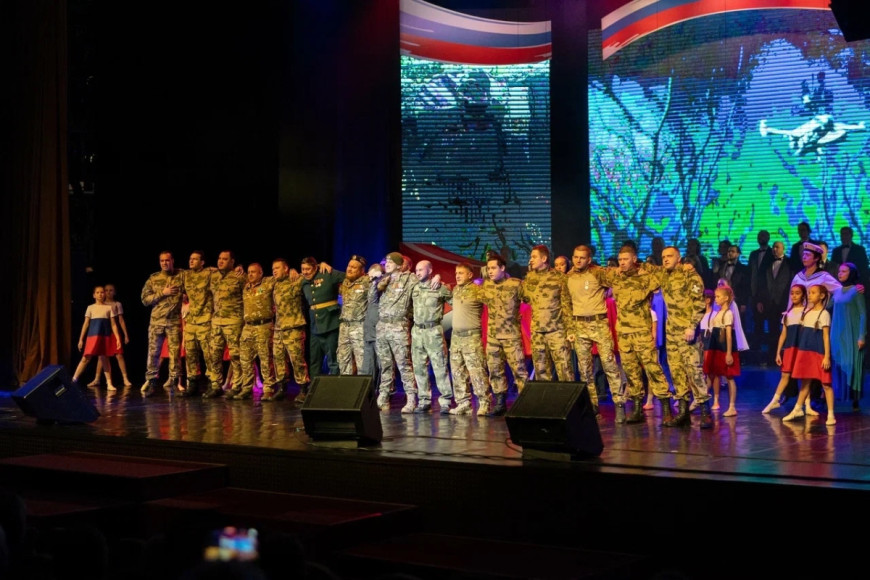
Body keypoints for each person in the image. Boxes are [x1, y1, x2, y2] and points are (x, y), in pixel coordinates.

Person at [601, 244, 670, 423]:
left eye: (626, 259)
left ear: (634, 259)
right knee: (631, 371)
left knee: (652, 368)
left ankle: (666, 408)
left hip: (641, 331)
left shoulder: (645, 277)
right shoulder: (615, 277)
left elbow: (663, 274)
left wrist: (644, 266)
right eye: (620, 260)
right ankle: (637, 408)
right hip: (624, 332)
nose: (622, 263)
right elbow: (595, 272)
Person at [648, 246, 713, 428]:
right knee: (676, 371)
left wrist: (692, 326)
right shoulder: (662, 274)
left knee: (694, 371)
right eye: (663, 256)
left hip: (687, 331)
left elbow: (699, 303)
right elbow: (645, 269)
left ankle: (705, 412)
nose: (665, 259)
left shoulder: (689, 275)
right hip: (671, 332)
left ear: (679, 258)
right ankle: (683, 412)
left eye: (670, 256)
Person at [563, 245, 622, 419]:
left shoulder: (598, 273)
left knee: (609, 364)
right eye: (575, 257)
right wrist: (570, 328)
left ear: (589, 259)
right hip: (579, 324)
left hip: (598, 323)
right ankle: (592, 406)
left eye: (582, 257)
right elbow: (566, 305)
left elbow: (618, 278)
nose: (578, 260)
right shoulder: (568, 277)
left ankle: (619, 403)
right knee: (584, 370)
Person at [519, 245, 574, 383]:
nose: (531, 260)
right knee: (541, 371)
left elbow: (566, 305)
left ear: (544, 259)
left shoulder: (559, 277)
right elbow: (525, 298)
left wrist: (570, 330)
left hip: (557, 331)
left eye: (534, 257)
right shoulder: (529, 278)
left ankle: (567, 397)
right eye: (530, 257)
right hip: (538, 332)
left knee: (564, 370)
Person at [481, 254, 528, 416]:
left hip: (511, 336)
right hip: (493, 337)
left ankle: (524, 404)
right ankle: (500, 403)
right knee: (495, 370)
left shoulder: (515, 284)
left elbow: (529, 299)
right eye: (488, 268)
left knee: (519, 371)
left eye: (493, 268)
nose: (490, 271)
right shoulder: (486, 285)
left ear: (502, 268)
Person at [783, 284, 836, 425]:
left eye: (813, 293)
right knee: (805, 382)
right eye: (809, 292)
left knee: (826, 384)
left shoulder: (824, 314)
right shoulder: (807, 313)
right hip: (806, 351)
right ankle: (797, 409)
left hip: (819, 353)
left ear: (822, 296)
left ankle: (831, 414)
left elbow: (826, 337)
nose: (809, 295)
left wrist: (826, 356)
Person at [449, 262, 494, 415]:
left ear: (470, 275)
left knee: (477, 372)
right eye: (456, 273)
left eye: (461, 273)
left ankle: (484, 402)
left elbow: (492, 302)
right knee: (458, 372)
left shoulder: (477, 290)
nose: (457, 276)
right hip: (456, 338)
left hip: (471, 337)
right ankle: (463, 403)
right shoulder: (456, 289)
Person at [409, 260, 453, 413]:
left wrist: (439, 277)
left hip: (433, 331)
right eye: (416, 270)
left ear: (430, 271)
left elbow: (456, 304)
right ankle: (424, 400)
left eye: (421, 269)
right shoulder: (413, 287)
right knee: (419, 367)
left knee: (440, 366)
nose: (418, 272)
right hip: (417, 332)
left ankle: (445, 401)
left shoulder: (440, 288)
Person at [230, 263, 278, 400]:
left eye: (253, 272)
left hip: (264, 326)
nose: (250, 274)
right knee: (245, 360)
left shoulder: (268, 283)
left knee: (265, 359)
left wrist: (292, 270)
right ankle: (247, 388)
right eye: (249, 272)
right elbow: (235, 273)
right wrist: (238, 267)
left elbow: (282, 276)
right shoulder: (245, 285)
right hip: (248, 327)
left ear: (261, 273)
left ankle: (268, 388)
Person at [203, 250, 246, 399]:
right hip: (216, 322)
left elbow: (250, 295)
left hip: (233, 321)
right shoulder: (213, 276)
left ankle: (237, 385)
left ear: (232, 261)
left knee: (235, 355)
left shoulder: (240, 276)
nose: (221, 261)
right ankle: (216, 385)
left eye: (225, 259)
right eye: (219, 258)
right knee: (214, 355)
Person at [177, 251, 221, 398]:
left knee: (209, 355)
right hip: (191, 321)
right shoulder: (185, 275)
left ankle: (213, 384)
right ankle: (193, 385)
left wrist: (238, 267)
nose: (191, 261)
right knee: (190, 355)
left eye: (195, 259)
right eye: (190, 259)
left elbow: (224, 271)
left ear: (202, 262)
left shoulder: (209, 273)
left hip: (205, 320)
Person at [140, 251, 184, 397]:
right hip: (157, 322)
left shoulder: (181, 275)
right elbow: (145, 300)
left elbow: (199, 275)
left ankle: (174, 382)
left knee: (175, 354)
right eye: (162, 261)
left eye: (167, 260)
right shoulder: (154, 278)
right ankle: (151, 382)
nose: (164, 263)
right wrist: (162, 293)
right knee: (153, 353)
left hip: (174, 322)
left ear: (172, 260)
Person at [762, 285, 808, 414]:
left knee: (805, 377)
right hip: (789, 348)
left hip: (802, 348)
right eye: (792, 293)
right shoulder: (788, 314)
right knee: (785, 375)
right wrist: (778, 352)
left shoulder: (806, 312)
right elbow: (783, 335)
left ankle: (807, 404)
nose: (794, 296)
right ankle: (774, 401)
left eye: (797, 293)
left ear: (803, 295)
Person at [270, 258, 310, 402]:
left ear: (286, 268)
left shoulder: (296, 279)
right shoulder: (273, 283)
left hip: (294, 327)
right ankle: (282, 388)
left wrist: (296, 271)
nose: (274, 271)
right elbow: (255, 279)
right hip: (279, 328)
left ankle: (303, 388)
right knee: (278, 358)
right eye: (273, 268)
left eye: (277, 268)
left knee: (297, 359)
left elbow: (310, 272)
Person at [300, 256, 345, 378]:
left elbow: (347, 276)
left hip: (330, 324)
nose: (305, 272)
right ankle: (314, 385)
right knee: (314, 359)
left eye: (308, 269)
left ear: (315, 268)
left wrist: (322, 265)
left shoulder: (327, 274)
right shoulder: (303, 280)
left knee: (333, 359)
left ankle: (334, 384)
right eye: (303, 269)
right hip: (315, 327)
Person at [830, 263, 866, 410]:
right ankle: (838, 395)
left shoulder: (856, 291)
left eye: (844, 271)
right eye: (839, 271)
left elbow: (863, 314)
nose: (840, 273)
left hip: (852, 333)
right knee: (838, 362)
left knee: (852, 364)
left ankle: (854, 399)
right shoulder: (836, 291)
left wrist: (862, 336)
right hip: (837, 333)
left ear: (851, 273)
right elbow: (828, 306)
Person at [71, 286, 122, 387]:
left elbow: (113, 324)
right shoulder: (90, 308)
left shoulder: (109, 308)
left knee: (105, 358)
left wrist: (117, 338)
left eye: (102, 292)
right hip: (92, 336)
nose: (100, 294)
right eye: (97, 292)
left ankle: (109, 383)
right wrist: (81, 339)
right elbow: (86, 324)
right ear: (94, 295)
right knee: (85, 358)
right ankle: (73, 380)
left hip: (104, 336)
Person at [703, 284, 741, 417]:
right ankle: (701, 399)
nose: (716, 299)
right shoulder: (718, 312)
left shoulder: (728, 314)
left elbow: (729, 335)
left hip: (724, 349)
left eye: (718, 296)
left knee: (729, 377)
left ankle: (732, 406)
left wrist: (729, 353)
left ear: (726, 298)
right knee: (711, 374)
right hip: (716, 348)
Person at [86, 283, 132, 388]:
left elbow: (120, 321)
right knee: (101, 357)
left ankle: (125, 378)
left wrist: (125, 335)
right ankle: (97, 379)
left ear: (114, 292)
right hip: (103, 333)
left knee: (119, 355)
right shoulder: (99, 305)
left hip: (114, 333)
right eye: (106, 290)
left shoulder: (117, 304)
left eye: (111, 290)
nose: (108, 292)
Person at [758, 241, 793, 365]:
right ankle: (772, 357)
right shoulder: (767, 262)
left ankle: (787, 359)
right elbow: (762, 283)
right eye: (773, 247)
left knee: (787, 331)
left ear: (783, 248)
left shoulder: (790, 262)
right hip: (770, 302)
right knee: (772, 331)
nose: (774, 249)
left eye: (777, 247)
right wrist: (760, 300)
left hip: (784, 302)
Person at [337, 255, 372, 377]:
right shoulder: (345, 282)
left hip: (359, 326)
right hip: (344, 326)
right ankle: (346, 386)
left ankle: (364, 387)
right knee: (343, 360)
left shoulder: (367, 281)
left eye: (354, 267)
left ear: (362, 271)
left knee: (361, 360)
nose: (349, 269)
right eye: (349, 266)